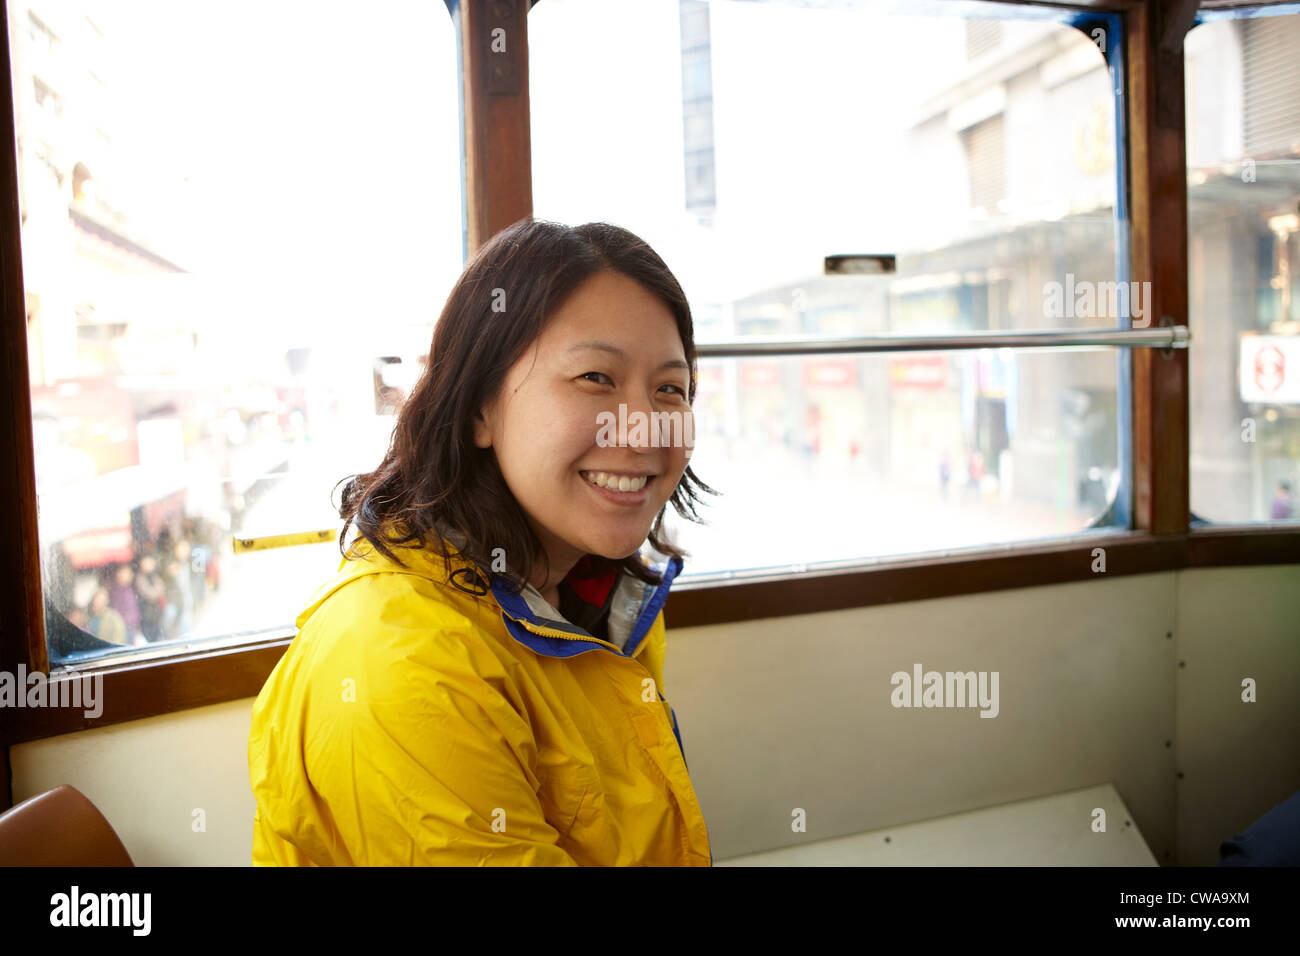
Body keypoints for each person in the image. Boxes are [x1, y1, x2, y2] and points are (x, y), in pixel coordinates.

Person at [248, 219, 718, 866]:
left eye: (669, 389)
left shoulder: (602, 589)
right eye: (595, 378)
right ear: (478, 408)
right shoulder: (403, 664)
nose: (641, 431)